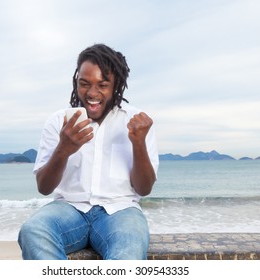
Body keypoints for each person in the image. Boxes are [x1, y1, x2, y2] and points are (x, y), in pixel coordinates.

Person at [18, 43, 159, 260]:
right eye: (84, 84)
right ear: (76, 83)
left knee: (129, 246)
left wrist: (138, 144)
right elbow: (44, 188)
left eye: (102, 85)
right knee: (33, 231)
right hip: (68, 209)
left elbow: (145, 188)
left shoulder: (137, 121)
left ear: (116, 85)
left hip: (120, 210)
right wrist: (62, 150)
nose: (92, 93)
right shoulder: (58, 122)